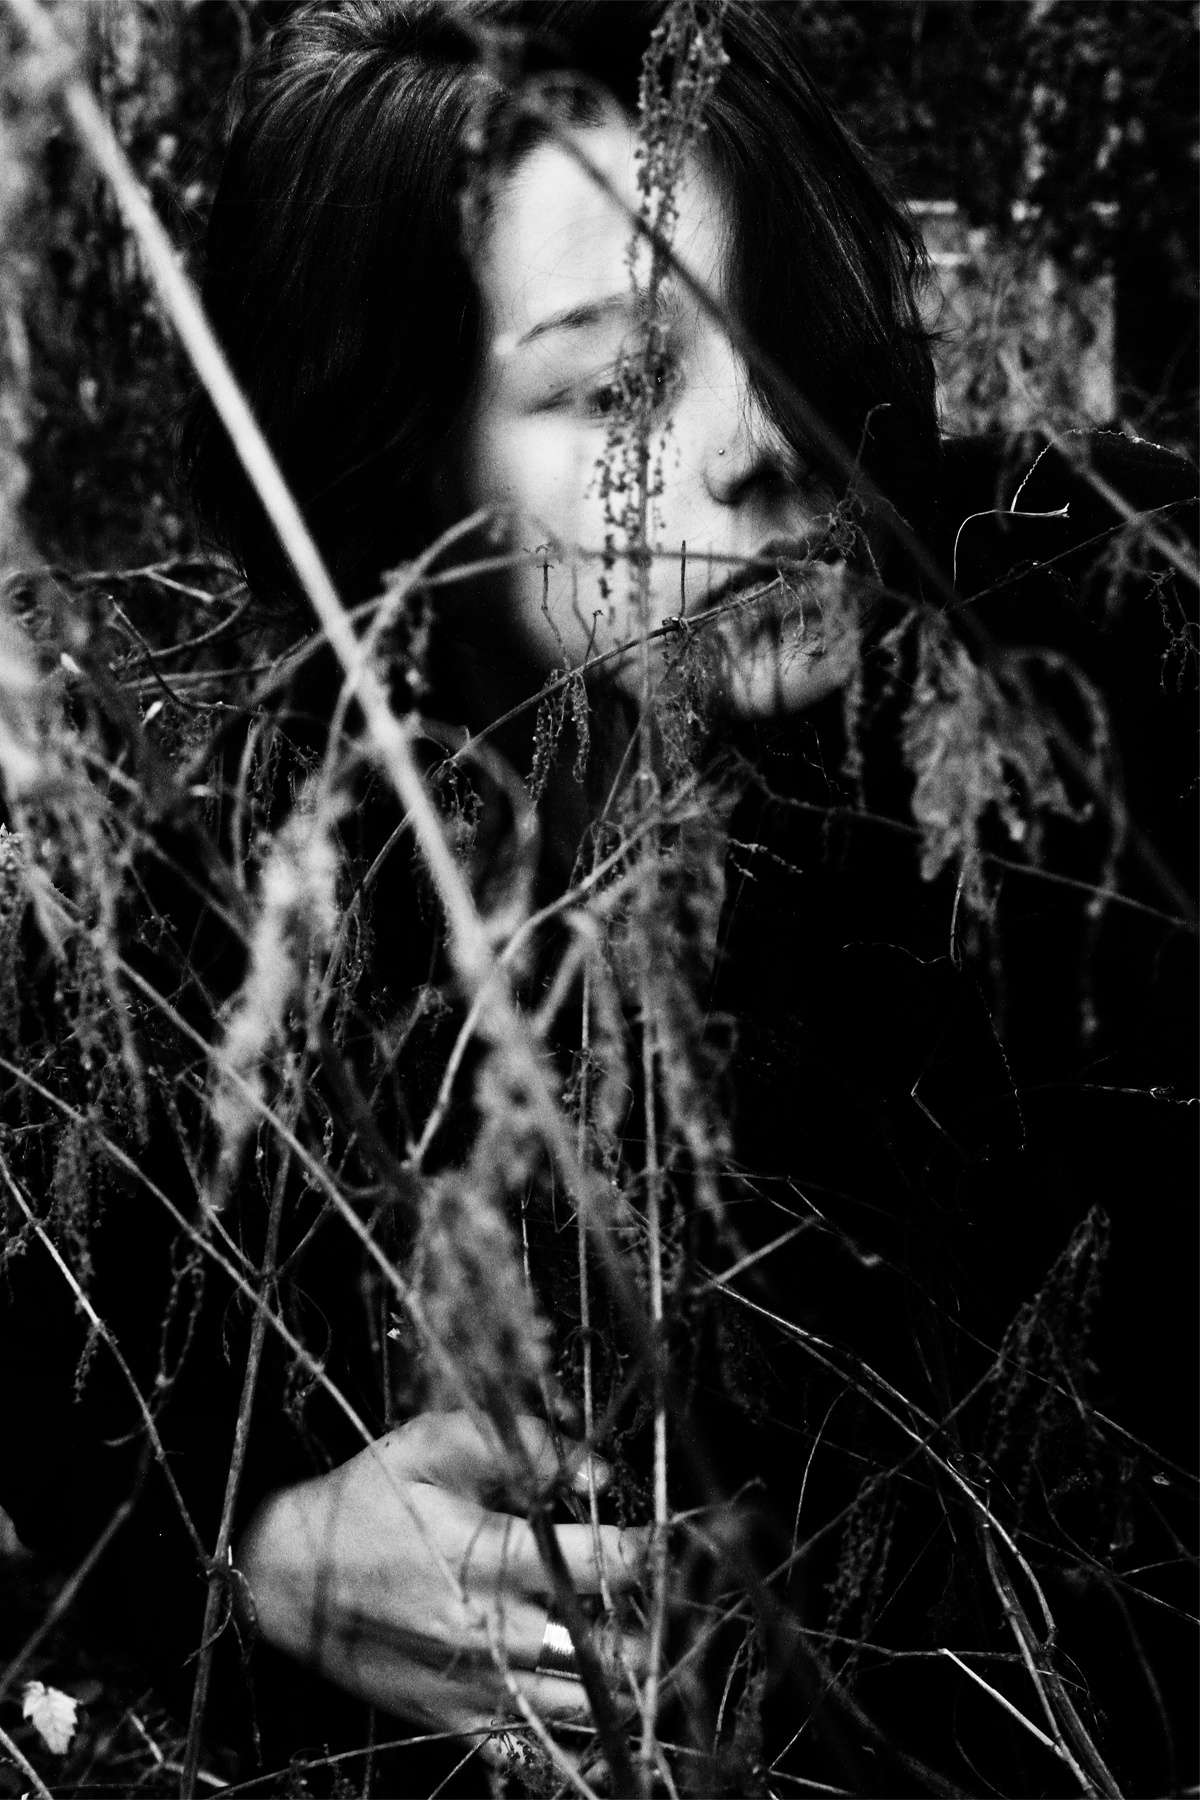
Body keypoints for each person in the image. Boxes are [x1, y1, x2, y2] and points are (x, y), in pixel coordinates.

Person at [0, 3, 1194, 1795]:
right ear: (403, 466)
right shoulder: (202, 885)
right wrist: (268, 1556)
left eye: (792, 330)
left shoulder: (1109, 689)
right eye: (621, 385)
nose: (762, 439)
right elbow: (66, 1420)